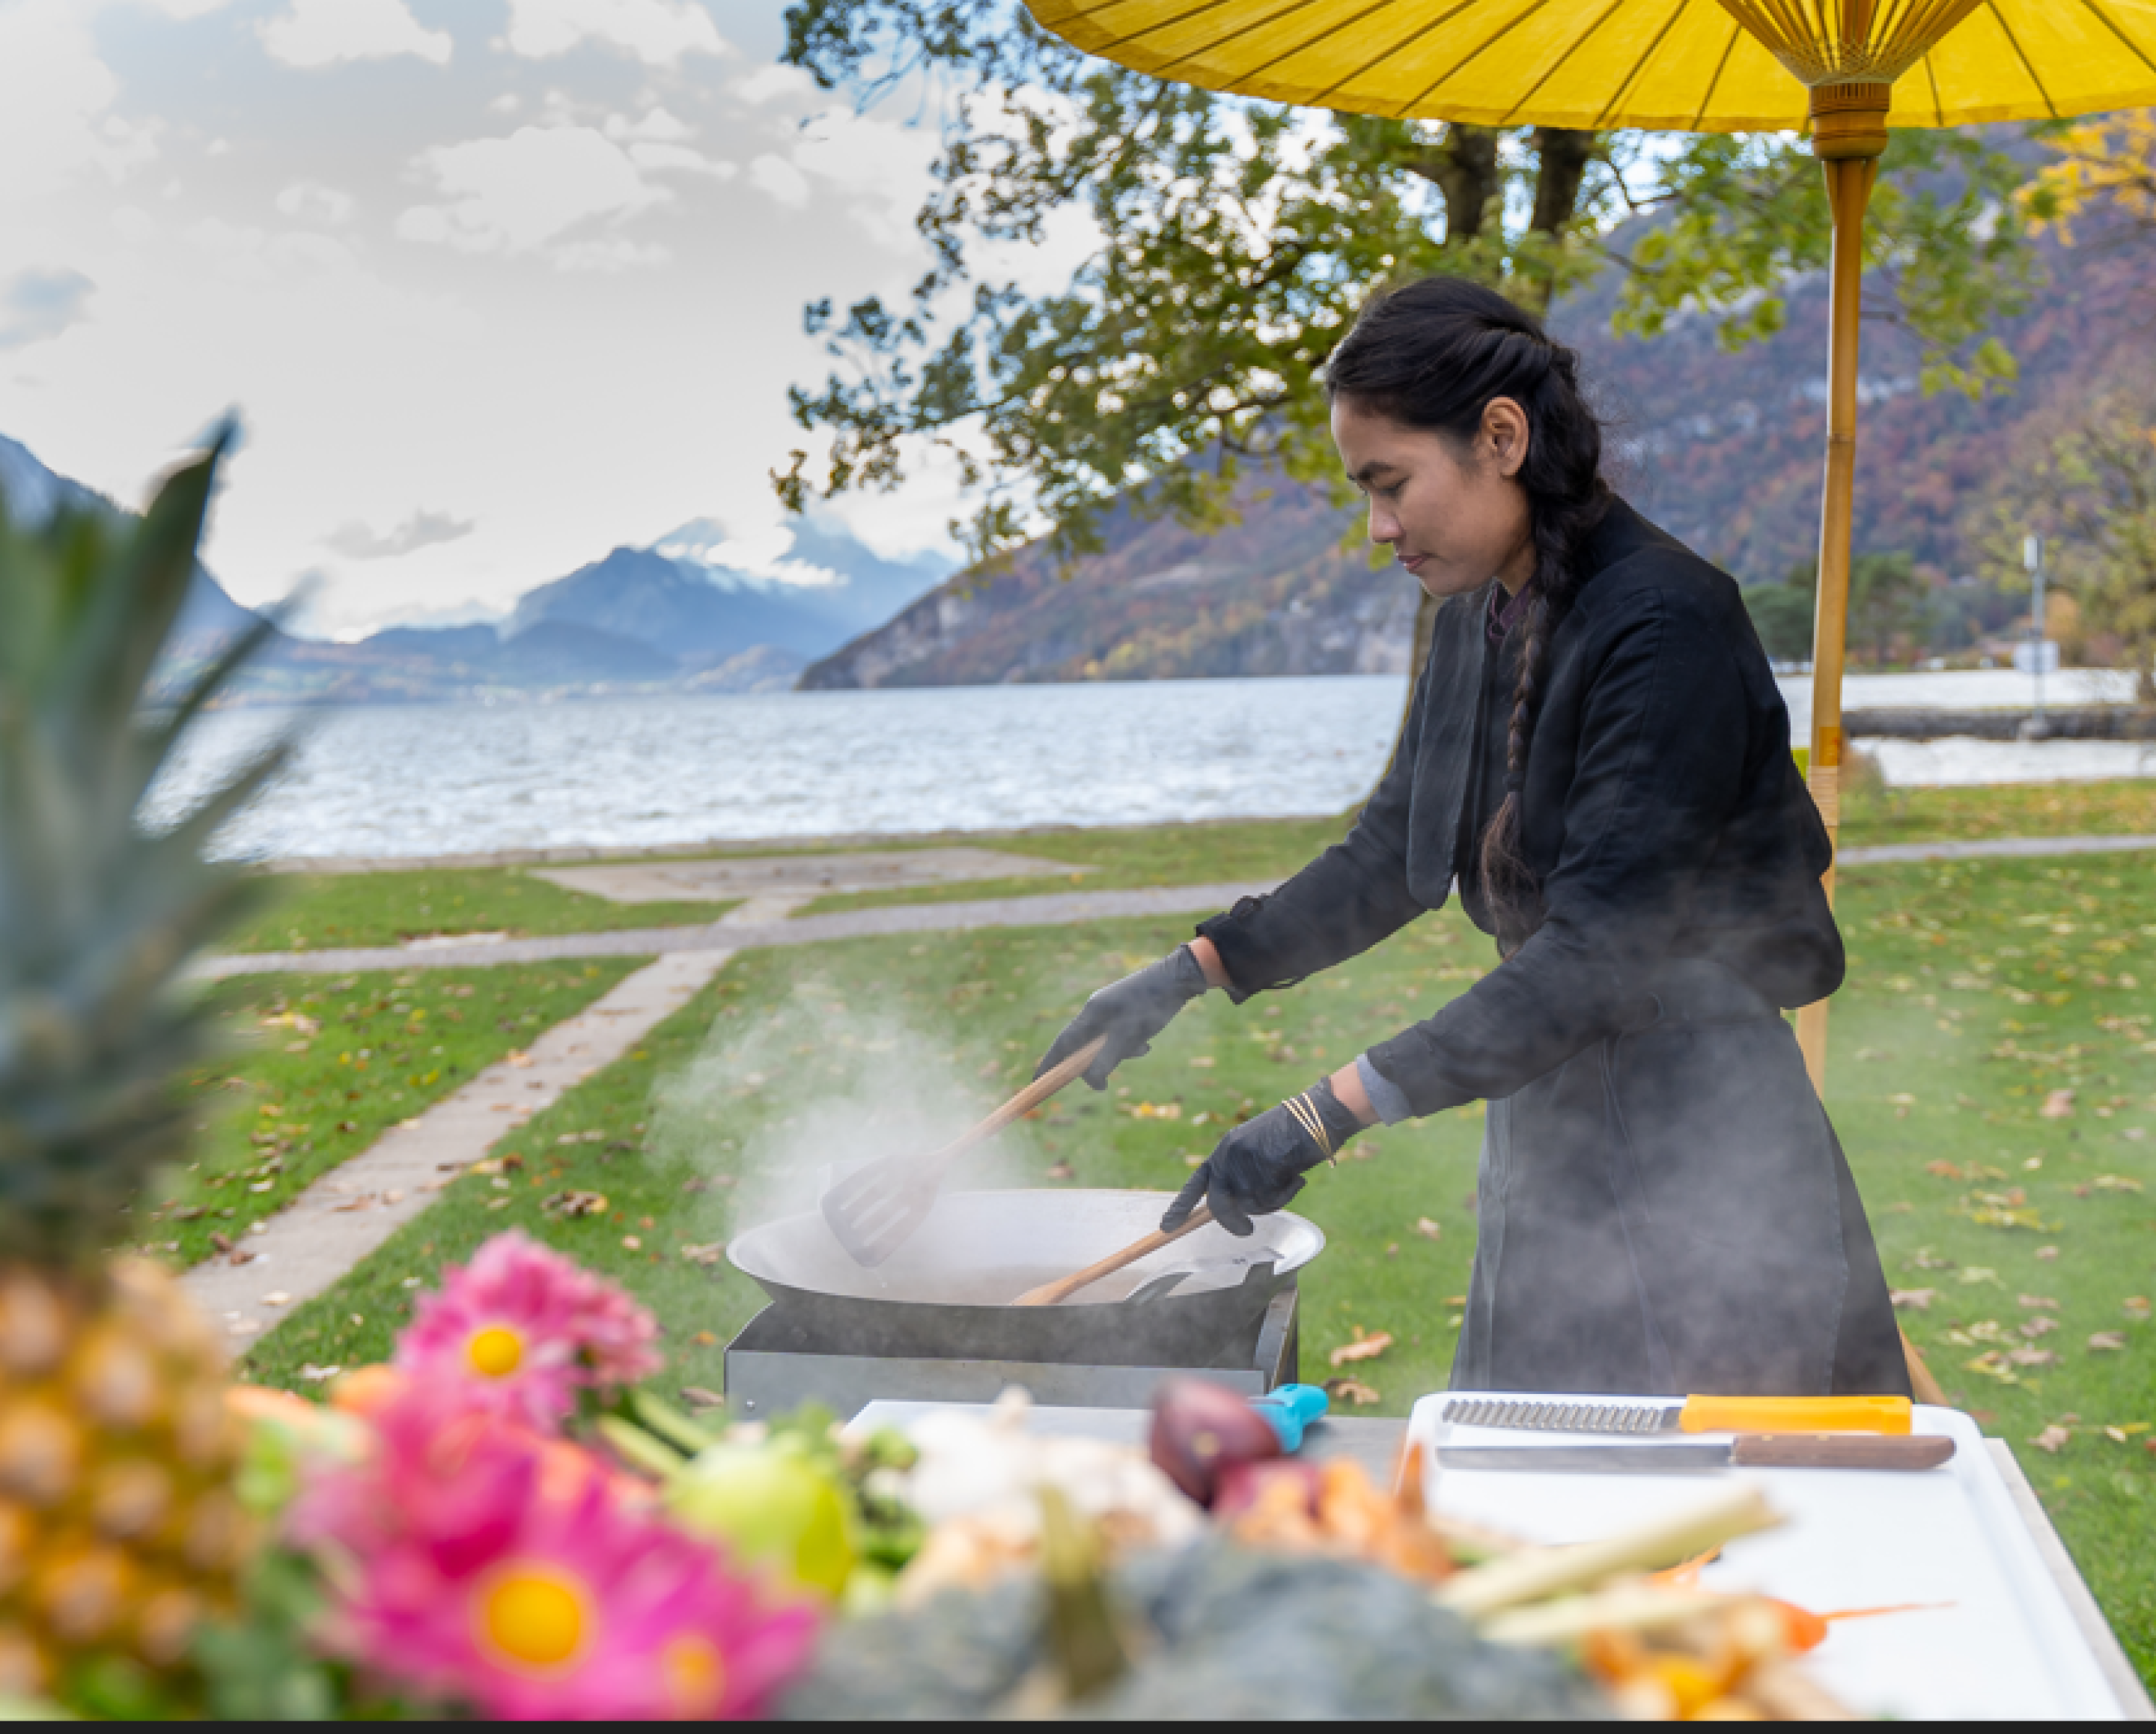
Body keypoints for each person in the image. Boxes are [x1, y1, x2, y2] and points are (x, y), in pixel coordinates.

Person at [1034, 276, 1907, 1399]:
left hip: (1708, 1143)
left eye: (1389, 484)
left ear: (1501, 436)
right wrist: (1194, 969)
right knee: (1541, 1488)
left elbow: (1597, 955)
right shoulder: (1474, 620)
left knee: (1720, 1519)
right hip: (1547, 1127)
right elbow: (1391, 855)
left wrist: (1323, 1112)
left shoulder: (1665, 624)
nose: (1378, 528)